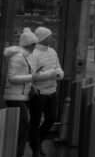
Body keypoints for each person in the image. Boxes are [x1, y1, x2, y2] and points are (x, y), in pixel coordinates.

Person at [3, 28, 39, 157]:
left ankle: (16, 151)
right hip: (14, 96)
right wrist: (31, 78)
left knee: (21, 126)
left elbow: (24, 75)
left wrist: (32, 84)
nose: (35, 46)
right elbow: (12, 78)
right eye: (33, 44)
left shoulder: (26, 56)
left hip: (22, 96)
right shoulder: (18, 57)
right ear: (27, 44)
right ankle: (17, 153)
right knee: (24, 124)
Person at [28, 26, 63, 156]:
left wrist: (59, 73)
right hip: (38, 93)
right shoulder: (34, 54)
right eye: (50, 36)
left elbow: (58, 67)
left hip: (52, 91)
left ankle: (37, 141)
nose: (52, 38)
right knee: (35, 120)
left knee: (51, 118)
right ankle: (36, 147)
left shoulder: (53, 52)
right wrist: (50, 74)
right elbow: (31, 74)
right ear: (42, 38)